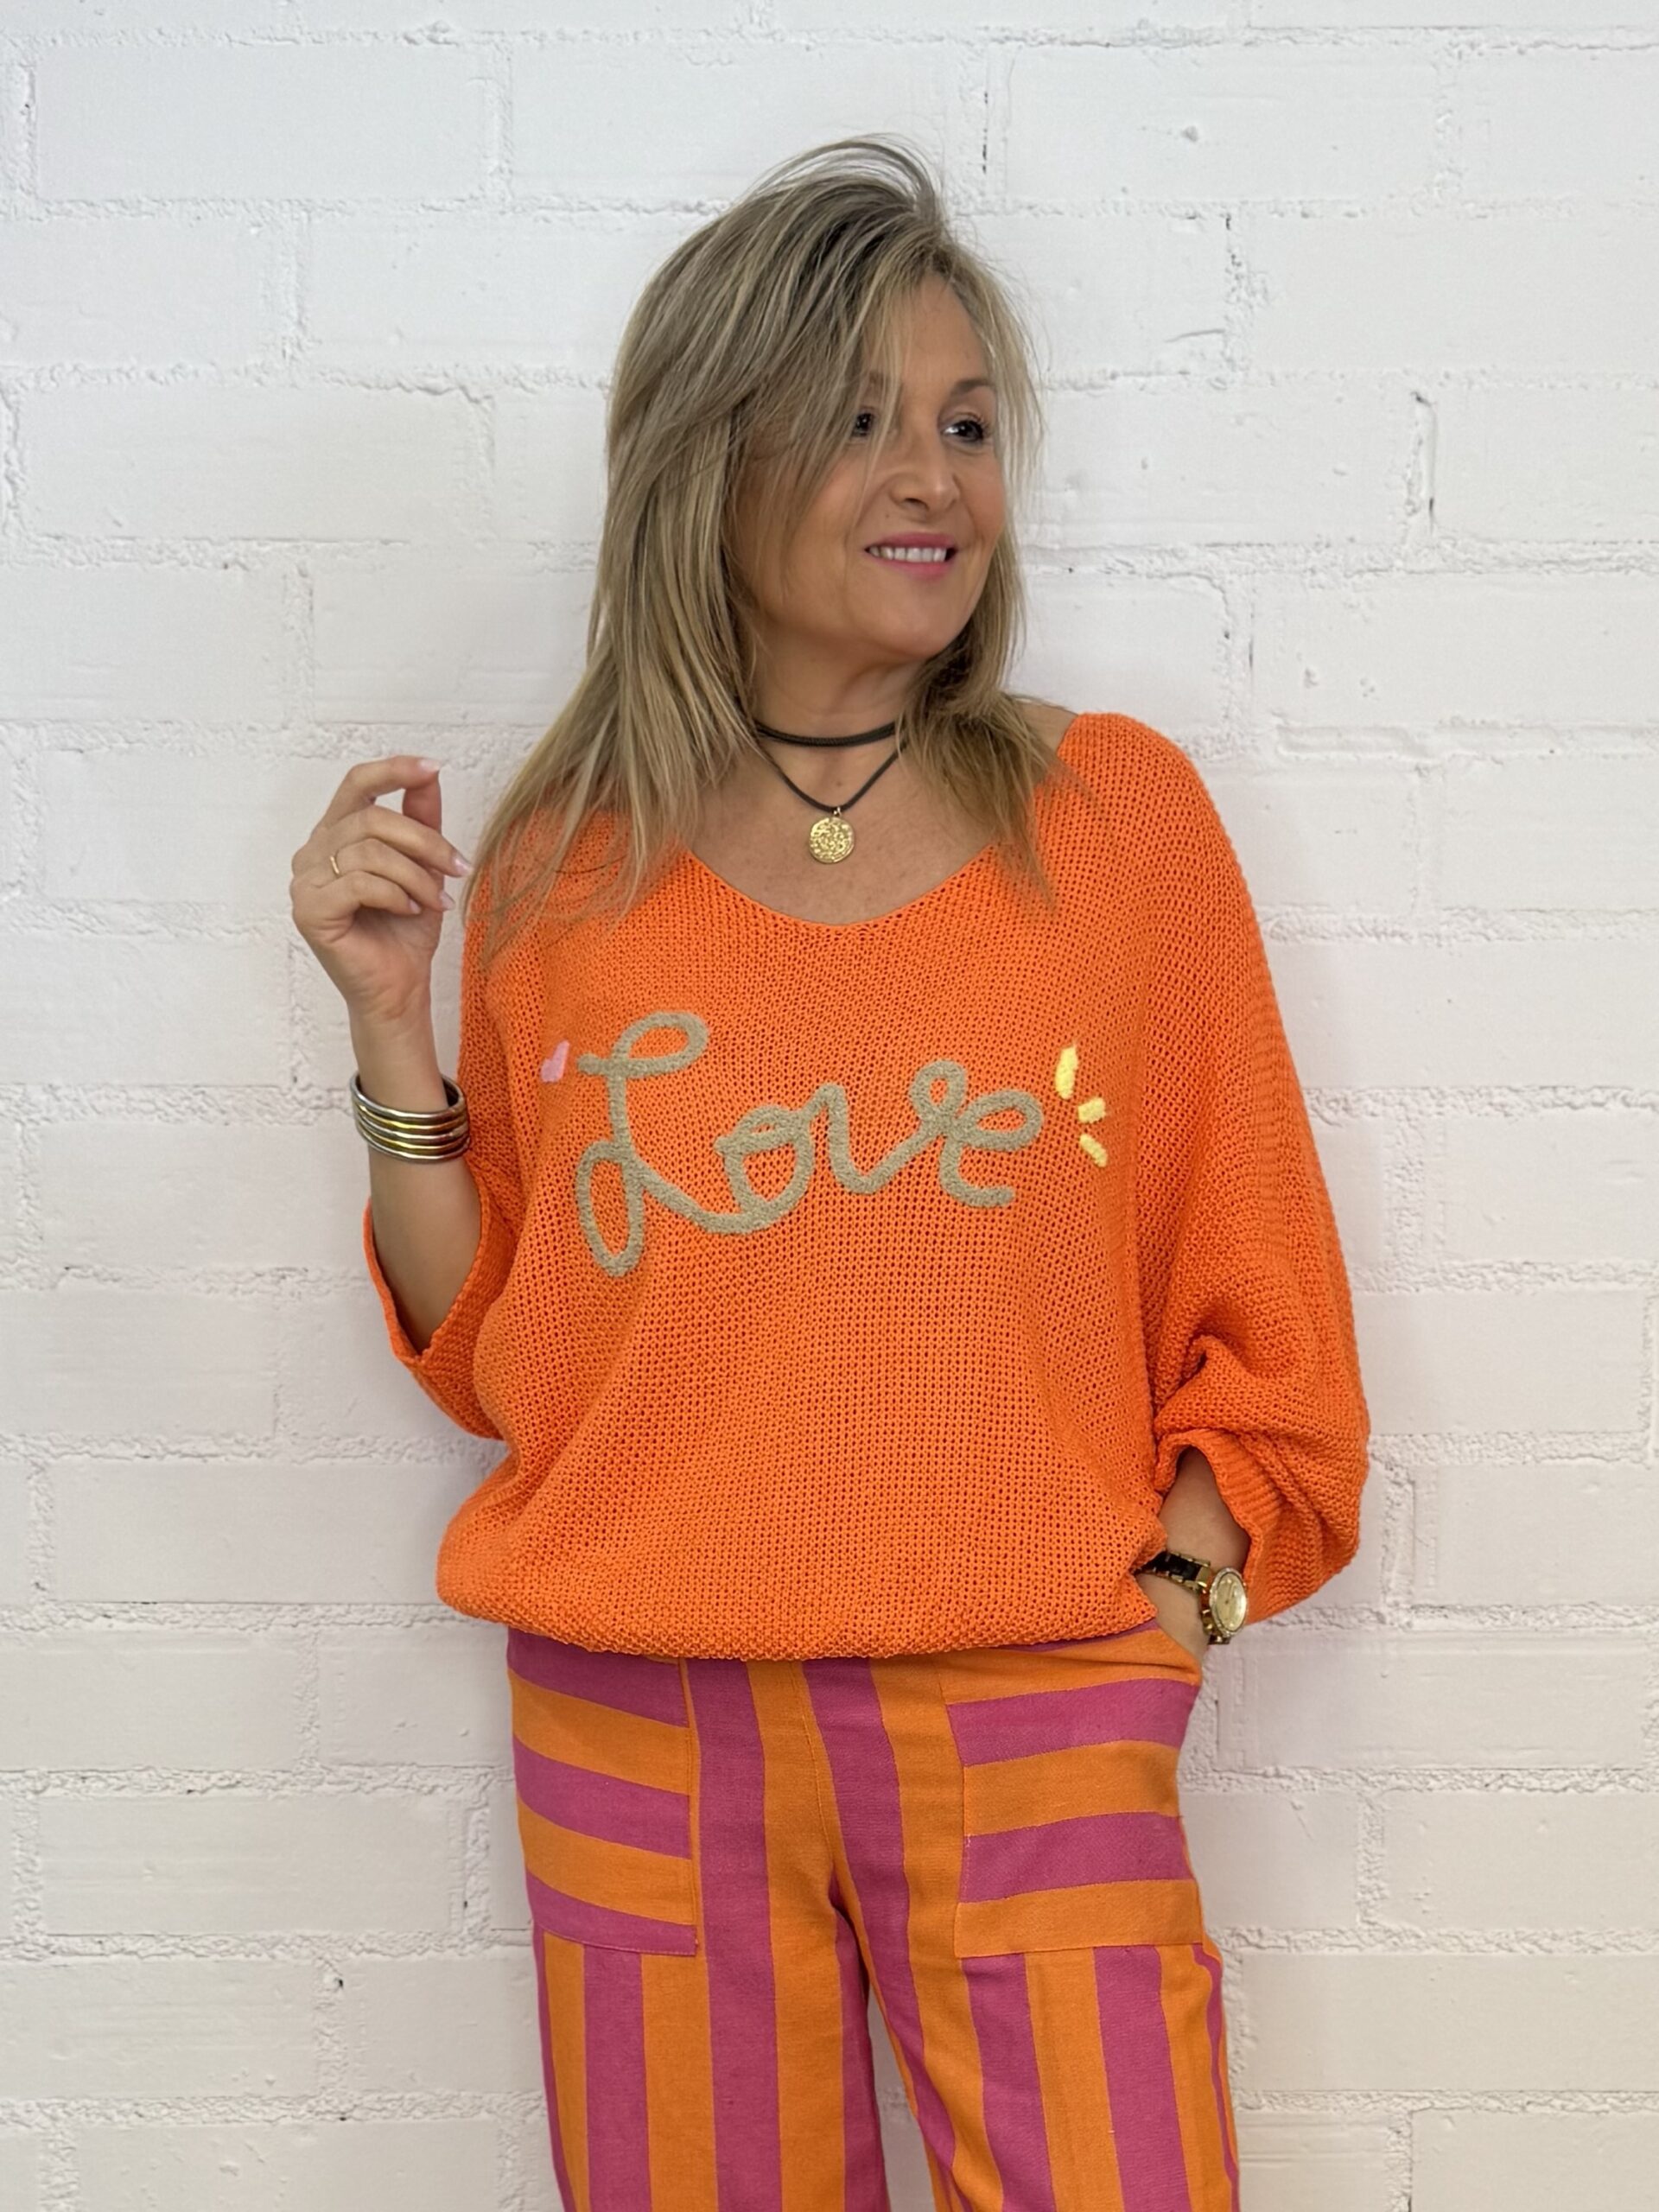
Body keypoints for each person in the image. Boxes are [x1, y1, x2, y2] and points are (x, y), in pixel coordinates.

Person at [291, 136, 1369, 2212]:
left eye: (965, 424)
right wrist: (391, 1023)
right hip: (643, 1710)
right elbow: (504, 1348)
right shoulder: (570, 853)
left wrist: (1180, 1594)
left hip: (1036, 1693)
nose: (932, 478)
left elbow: (1264, 1283)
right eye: (861, 419)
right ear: (714, 457)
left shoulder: (1115, 822)